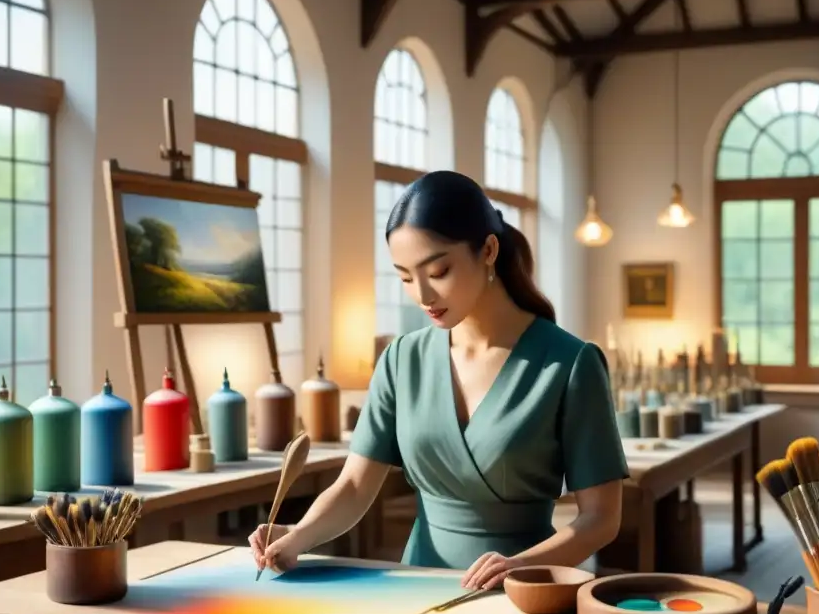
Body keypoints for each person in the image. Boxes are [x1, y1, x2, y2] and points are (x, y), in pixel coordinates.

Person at [250, 170, 628, 589]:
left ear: (487, 250)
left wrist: (519, 567)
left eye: (439, 270)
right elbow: (355, 486)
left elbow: (600, 518)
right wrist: (299, 534)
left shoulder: (570, 363)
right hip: (416, 585)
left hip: (526, 589)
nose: (423, 295)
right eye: (406, 277)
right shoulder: (401, 358)